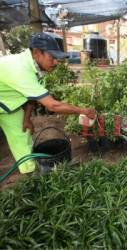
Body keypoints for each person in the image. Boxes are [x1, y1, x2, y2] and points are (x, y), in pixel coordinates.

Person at [0, 32, 96, 174]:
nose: (56, 62)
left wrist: (27, 119)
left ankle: (30, 172)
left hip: (6, 104)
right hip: (5, 101)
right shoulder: (20, 69)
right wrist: (83, 110)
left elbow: (31, 97)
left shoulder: (33, 66)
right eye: (52, 57)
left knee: (22, 134)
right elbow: (52, 105)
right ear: (37, 53)